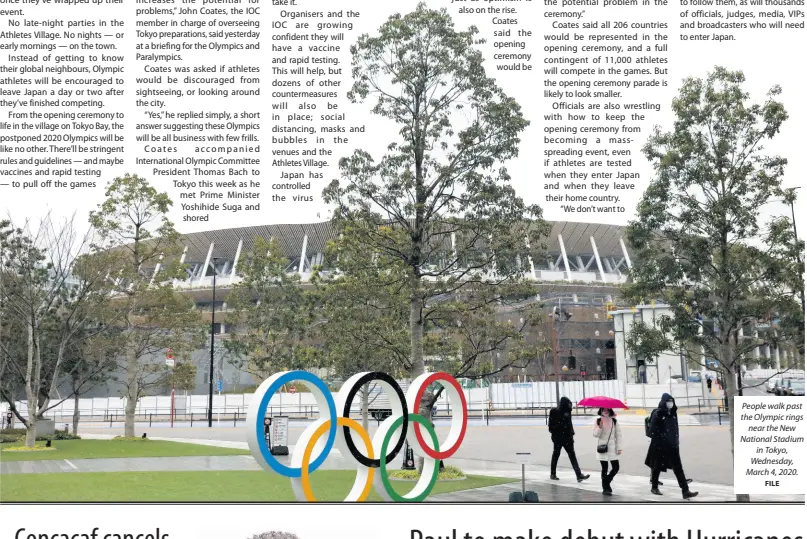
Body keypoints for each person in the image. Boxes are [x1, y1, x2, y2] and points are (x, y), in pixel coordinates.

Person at [645, 393, 698, 499]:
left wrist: (676, 441)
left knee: (678, 468)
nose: (670, 403)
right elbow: (652, 431)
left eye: (671, 401)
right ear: (664, 402)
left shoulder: (673, 413)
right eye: (668, 401)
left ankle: (685, 491)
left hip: (672, 446)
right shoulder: (658, 414)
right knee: (657, 467)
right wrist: (662, 437)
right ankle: (654, 487)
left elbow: (675, 429)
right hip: (660, 445)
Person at [548, 396, 590, 482]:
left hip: (567, 438)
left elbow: (569, 426)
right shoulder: (554, 411)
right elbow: (551, 427)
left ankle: (578, 475)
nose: (570, 407)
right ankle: (553, 474)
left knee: (572, 456)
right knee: (556, 455)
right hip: (558, 438)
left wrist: (571, 435)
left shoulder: (567, 412)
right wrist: (562, 421)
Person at [593, 408, 622, 496]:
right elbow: (595, 435)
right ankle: (605, 489)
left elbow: (619, 435)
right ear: (601, 410)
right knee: (604, 469)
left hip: (613, 448)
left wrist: (619, 447)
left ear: (610, 409)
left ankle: (606, 482)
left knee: (616, 467)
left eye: (607, 409)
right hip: (603, 448)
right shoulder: (598, 420)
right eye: (603, 409)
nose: (605, 410)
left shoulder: (614, 421)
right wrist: (600, 427)